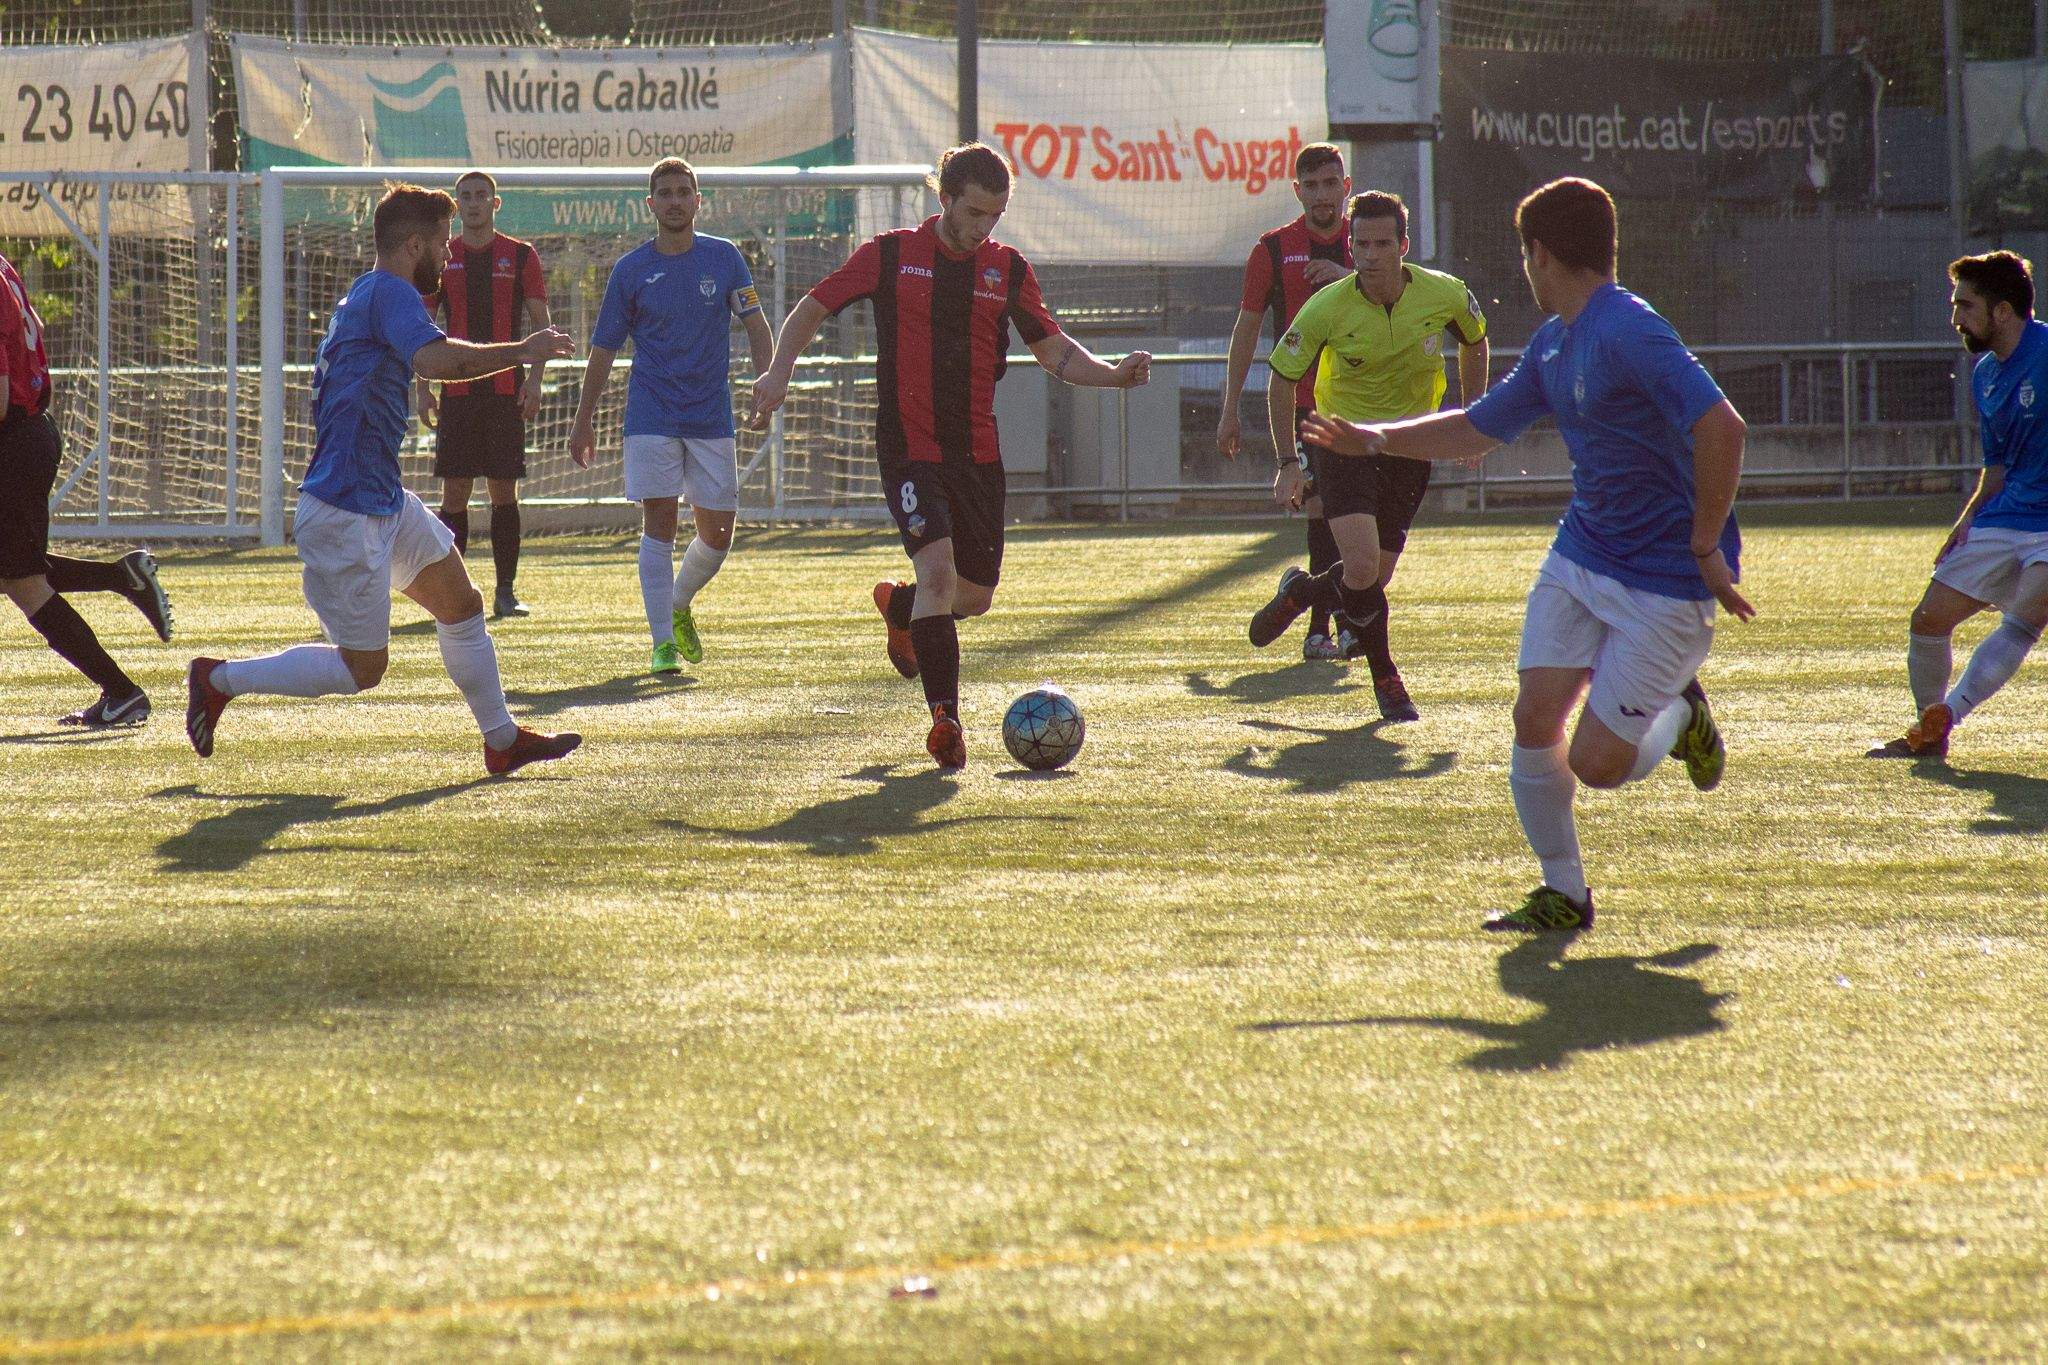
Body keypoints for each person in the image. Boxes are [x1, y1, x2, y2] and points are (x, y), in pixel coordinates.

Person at [1300, 177, 1752, 932]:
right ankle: (1564, 893)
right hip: (1583, 554)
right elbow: (1478, 427)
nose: (1524, 270)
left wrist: (1705, 542)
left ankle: (1680, 712)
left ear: (1541, 254)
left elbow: (1723, 428)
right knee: (1534, 718)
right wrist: (1376, 437)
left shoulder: (1629, 329)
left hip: (1665, 581)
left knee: (1597, 765)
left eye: (1525, 256)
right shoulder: (1556, 341)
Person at [748, 142, 1150, 769]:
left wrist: (1113, 374)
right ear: (945, 199)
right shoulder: (890, 254)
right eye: (975, 212)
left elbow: (1054, 350)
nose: (984, 227)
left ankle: (902, 608)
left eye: (996, 214)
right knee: (938, 571)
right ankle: (946, 722)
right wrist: (777, 373)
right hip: (909, 447)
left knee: (974, 595)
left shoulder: (1008, 268)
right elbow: (813, 307)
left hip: (978, 454)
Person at [185, 183, 581, 776]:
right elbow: (440, 363)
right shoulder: (391, 292)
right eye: (443, 244)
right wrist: (524, 349)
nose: (449, 258)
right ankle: (218, 679)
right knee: (362, 670)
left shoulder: (370, 294)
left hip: (380, 500)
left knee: (463, 605)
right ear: (414, 244)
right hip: (345, 511)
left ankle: (501, 740)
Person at [1247, 190, 1489, 721]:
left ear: (1404, 245)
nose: (1372, 254)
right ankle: (1387, 679)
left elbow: (1475, 338)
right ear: (1351, 247)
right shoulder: (1327, 305)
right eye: (1362, 244)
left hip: (1410, 442)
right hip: (1342, 441)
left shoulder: (1444, 293)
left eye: (1383, 243)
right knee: (1358, 564)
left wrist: (1475, 416)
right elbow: (1281, 378)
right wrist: (1288, 460)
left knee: (1373, 577)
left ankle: (1303, 593)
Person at [570, 157, 774, 674]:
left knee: (719, 534)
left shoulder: (725, 258)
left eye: (684, 191)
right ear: (651, 204)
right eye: (665, 192)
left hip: (710, 414)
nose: (675, 200)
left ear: (698, 201)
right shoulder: (631, 270)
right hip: (651, 413)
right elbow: (603, 348)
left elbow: (756, 325)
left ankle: (677, 604)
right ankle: (662, 642)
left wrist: (767, 386)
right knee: (659, 521)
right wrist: (583, 416)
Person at [1868, 251, 2048, 760]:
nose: (1955, 319)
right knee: (1928, 619)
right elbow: (1997, 468)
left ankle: (1947, 716)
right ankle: (1932, 734)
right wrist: (1967, 518)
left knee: (2024, 619)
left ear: (2004, 311)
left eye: (1965, 306)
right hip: (2008, 514)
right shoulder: (1985, 374)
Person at [0, 245, 172, 729]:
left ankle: (122, 692)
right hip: (27, 433)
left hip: (12, 441)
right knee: (12, 570)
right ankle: (123, 579)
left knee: (22, 580)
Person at [1219, 142, 1353, 660]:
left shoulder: (1368, 242)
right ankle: (1326, 626)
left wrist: (1350, 280)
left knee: (1359, 516)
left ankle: (1322, 604)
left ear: (1346, 186)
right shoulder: (1272, 250)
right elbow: (1247, 329)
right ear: (1297, 192)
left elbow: (1401, 296)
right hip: (1304, 401)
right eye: (1311, 186)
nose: (1322, 195)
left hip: (1364, 401)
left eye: (1330, 183)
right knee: (1324, 506)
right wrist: (1231, 408)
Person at [416, 170, 550, 620]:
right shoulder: (441, 257)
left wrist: (534, 381)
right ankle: (448, 594)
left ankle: (505, 592)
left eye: (481, 196)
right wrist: (424, 389)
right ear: (458, 205)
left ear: (496, 204)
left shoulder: (520, 255)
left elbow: (541, 327)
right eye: (466, 196)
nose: (473, 203)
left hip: (505, 394)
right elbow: (423, 328)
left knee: (502, 492)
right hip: (455, 394)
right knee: (454, 494)